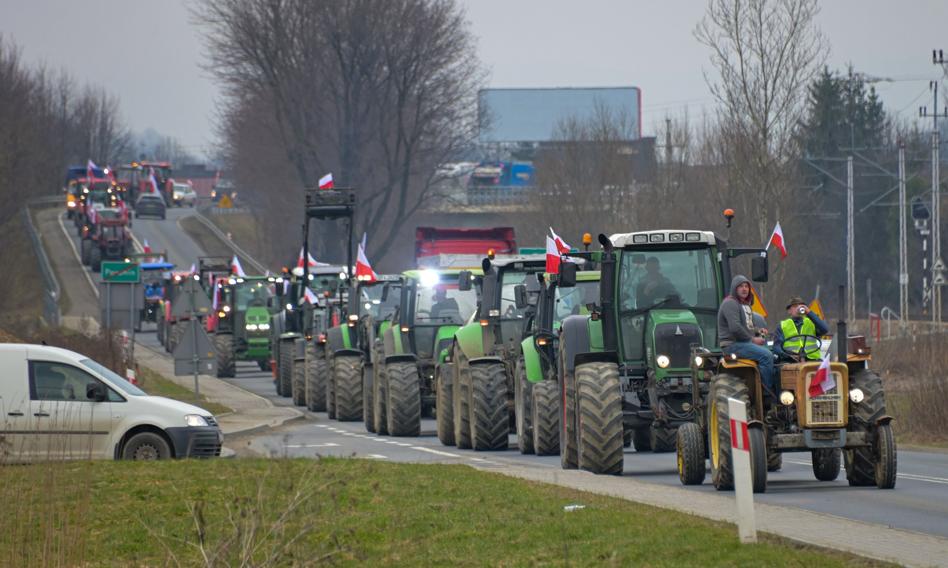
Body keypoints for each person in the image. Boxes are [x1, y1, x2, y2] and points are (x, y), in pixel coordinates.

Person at [718, 275, 775, 393]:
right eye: (741, 286)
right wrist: (753, 340)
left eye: (746, 286)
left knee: (776, 355)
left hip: (743, 343)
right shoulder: (730, 303)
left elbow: (747, 326)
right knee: (766, 356)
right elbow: (735, 328)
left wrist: (758, 331)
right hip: (732, 345)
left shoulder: (744, 305)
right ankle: (767, 393)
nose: (744, 289)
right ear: (734, 288)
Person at [773, 297, 829, 361]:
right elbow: (777, 347)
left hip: (812, 359)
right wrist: (788, 355)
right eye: (795, 306)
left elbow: (825, 329)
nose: (798, 308)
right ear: (789, 311)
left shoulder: (811, 322)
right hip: (791, 361)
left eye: (801, 306)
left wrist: (809, 312)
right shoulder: (783, 325)